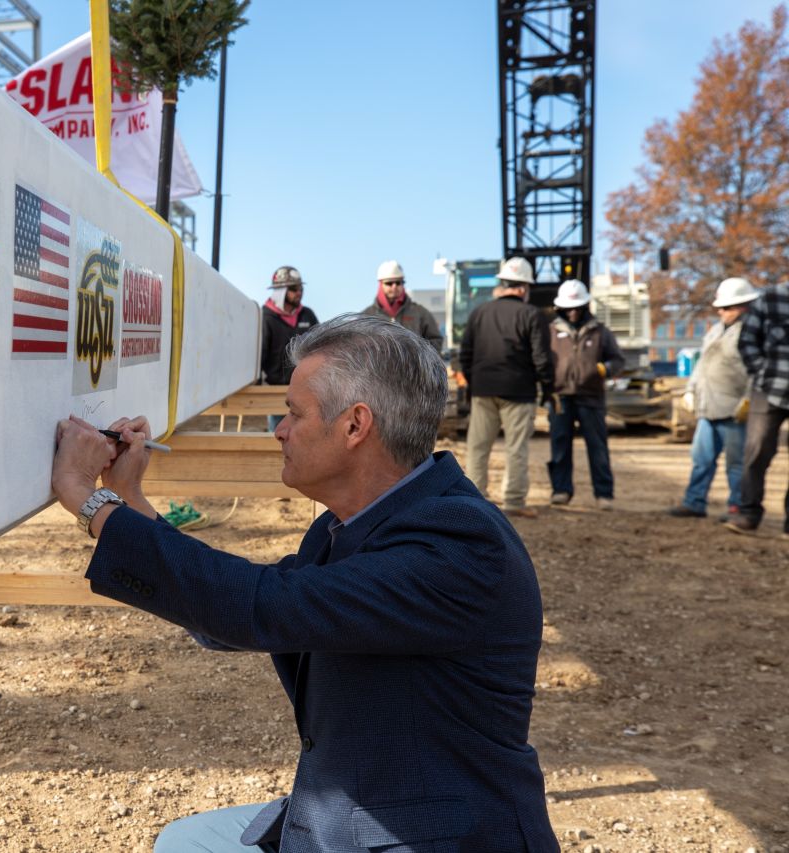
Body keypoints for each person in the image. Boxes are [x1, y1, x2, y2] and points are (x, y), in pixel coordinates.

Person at [51, 315, 559, 853]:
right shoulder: (353, 522)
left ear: (355, 425)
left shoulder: (458, 544)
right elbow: (244, 614)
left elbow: (262, 609)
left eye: (294, 413)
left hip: (436, 836)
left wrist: (89, 499)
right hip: (367, 816)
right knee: (185, 842)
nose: (279, 429)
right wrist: (128, 498)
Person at [460, 256, 554, 518]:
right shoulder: (531, 314)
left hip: (483, 389)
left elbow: (465, 353)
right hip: (519, 390)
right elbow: (541, 357)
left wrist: (474, 380)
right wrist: (546, 386)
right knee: (516, 449)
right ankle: (513, 501)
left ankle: (474, 500)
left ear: (503, 283)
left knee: (478, 447)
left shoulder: (480, 312)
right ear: (524, 288)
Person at [668, 278, 757, 519]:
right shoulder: (716, 330)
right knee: (701, 459)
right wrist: (690, 389)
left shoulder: (752, 333)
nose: (721, 311)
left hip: (733, 409)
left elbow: (757, 370)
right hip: (708, 407)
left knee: (736, 464)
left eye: (726, 307)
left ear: (743, 306)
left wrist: (748, 400)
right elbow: (702, 365)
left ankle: (736, 506)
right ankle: (695, 502)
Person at [546, 279, 625, 510]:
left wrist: (605, 369)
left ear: (585, 307)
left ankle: (604, 494)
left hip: (591, 397)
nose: (572, 312)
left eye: (577, 308)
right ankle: (561, 490)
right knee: (560, 446)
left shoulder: (600, 332)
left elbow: (618, 360)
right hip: (560, 397)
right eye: (568, 308)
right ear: (560, 307)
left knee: (597, 447)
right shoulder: (551, 332)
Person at [725, 279, 789, 537]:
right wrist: (760, 372)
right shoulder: (772, 298)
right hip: (769, 387)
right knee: (756, 450)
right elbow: (748, 340)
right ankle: (749, 513)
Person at [260, 265, 319, 431]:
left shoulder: (308, 315)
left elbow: (321, 348)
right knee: (277, 437)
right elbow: (259, 355)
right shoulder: (265, 318)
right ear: (280, 291)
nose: (299, 292)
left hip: (306, 389)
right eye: (293, 288)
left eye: (300, 287)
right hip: (275, 391)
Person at [362, 259, 444, 351]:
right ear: (381, 285)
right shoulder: (366, 316)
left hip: (413, 365)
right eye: (389, 283)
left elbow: (436, 340)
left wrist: (419, 356)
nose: (394, 286)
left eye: (398, 282)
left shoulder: (420, 313)